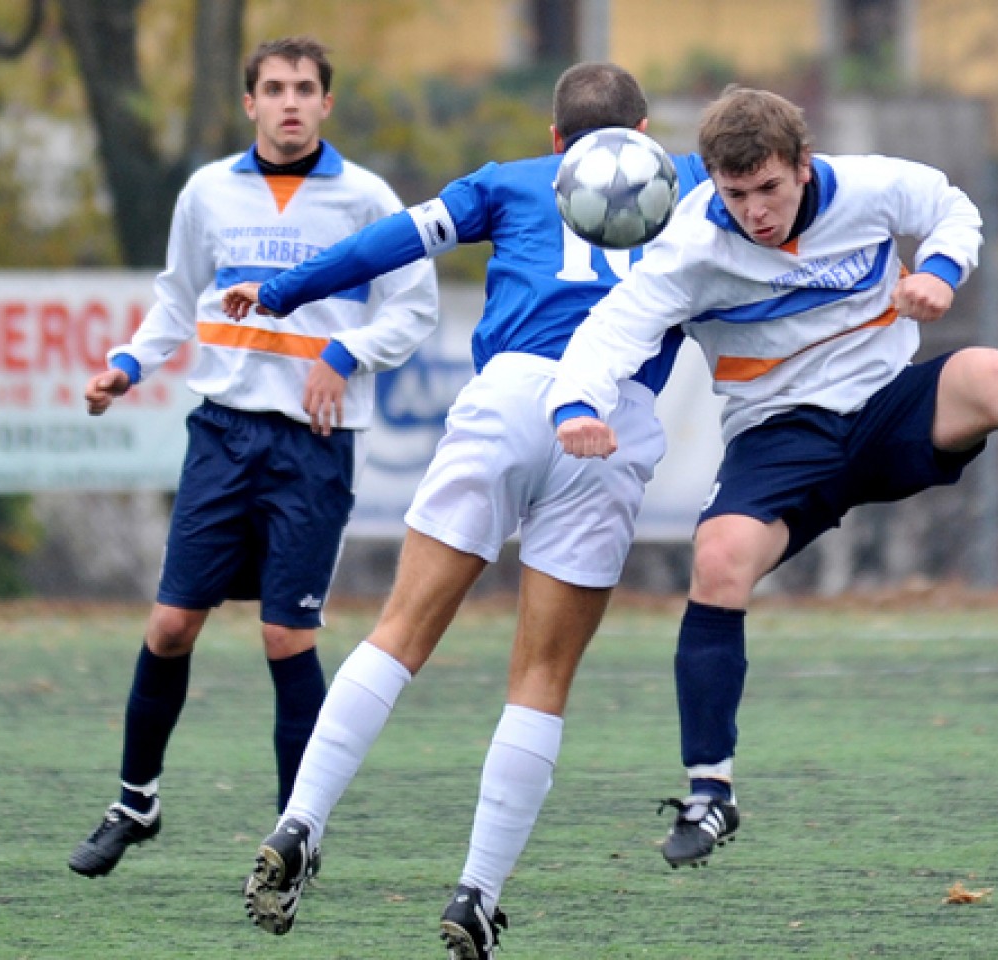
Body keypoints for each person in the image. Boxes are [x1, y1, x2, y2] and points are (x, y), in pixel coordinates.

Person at [548, 85, 998, 869]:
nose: (756, 211)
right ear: (715, 187)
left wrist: (939, 269)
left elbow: (951, 208)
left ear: (804, 164)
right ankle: (710, 794)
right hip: (779, 433)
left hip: (888, 407)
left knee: (994, 371)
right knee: (719, 562)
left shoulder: (867, 186)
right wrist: (575, 406)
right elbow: (610, 331)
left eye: (770, 188)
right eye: (737, 194)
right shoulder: (690, 245)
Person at [218, 63, 707, 958]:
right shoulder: (698, 184)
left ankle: (300, 822)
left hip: (508, 397)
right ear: (644, 133)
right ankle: (476, 892)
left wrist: (282, 292)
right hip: (613, 418)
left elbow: (391, 242)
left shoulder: (510, 180)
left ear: (556, 143)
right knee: (541, 679)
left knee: (398, 634)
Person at [68, 36, 440, 879]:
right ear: (250, 104)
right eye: (273, 88)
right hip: (223, 434)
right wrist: (127, 366)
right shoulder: (208, 192)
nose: (289, 102)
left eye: (305, 88)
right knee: (168, 626)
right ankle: (136, 801)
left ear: (326, 103)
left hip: (312, 448)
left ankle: (294, 837)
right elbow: (177, 301)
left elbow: (412, 312)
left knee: (285, 636)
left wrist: (342, 357)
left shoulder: (366, 198)